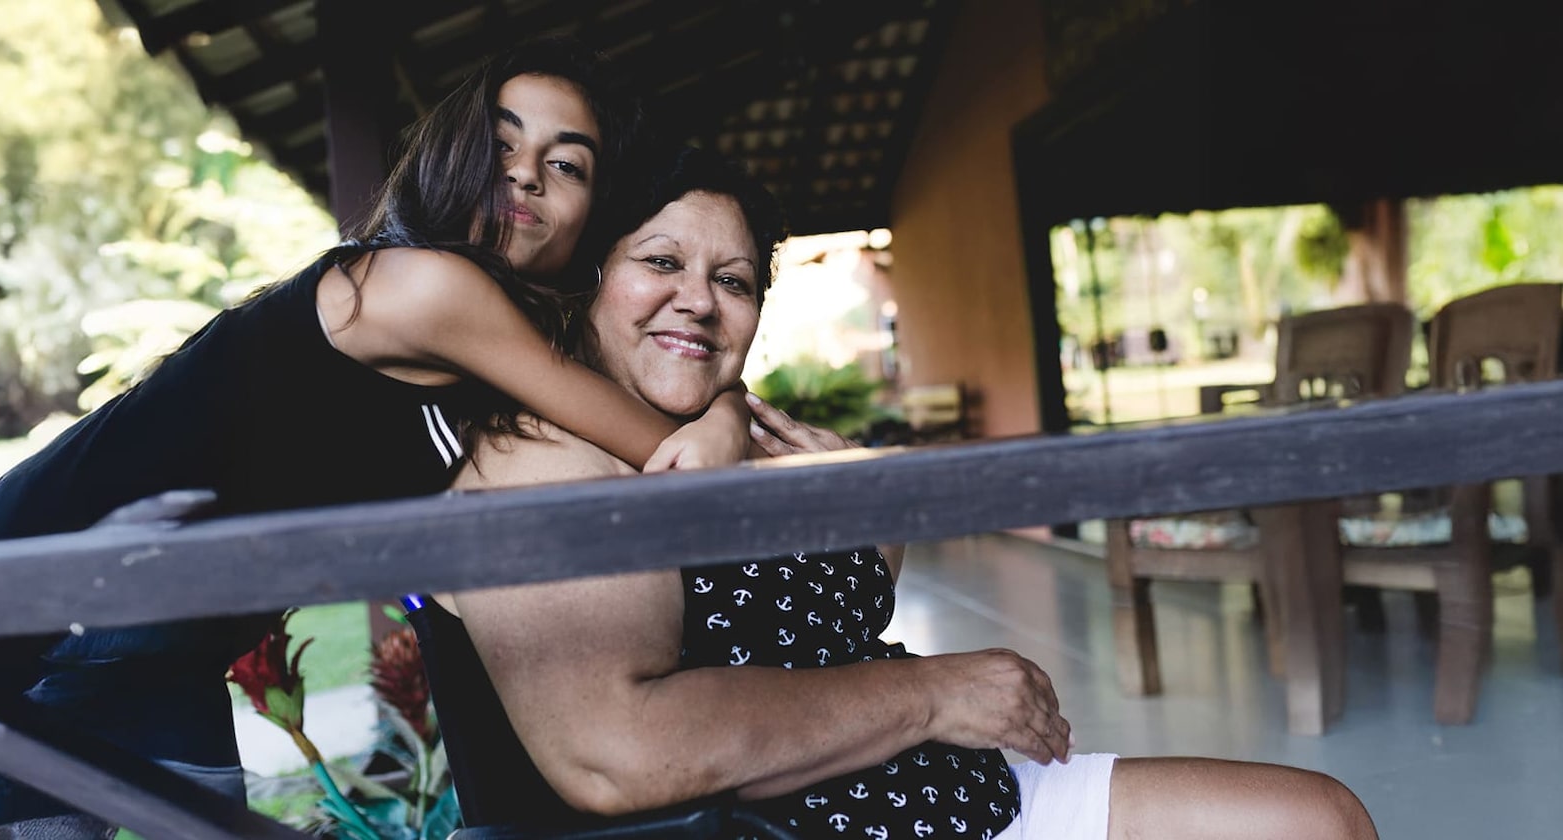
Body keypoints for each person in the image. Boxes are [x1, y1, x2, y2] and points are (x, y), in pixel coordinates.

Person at [0, 40, 776, 839]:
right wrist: (726, 415)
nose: (526, 177)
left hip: (168, 642)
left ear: (591, 214)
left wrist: (721, 413)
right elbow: (654, 440)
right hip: (30, 596)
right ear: (448, 153)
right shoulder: (425, 287)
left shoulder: (501, 349)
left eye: (568, 165)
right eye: (500, 143)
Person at [430, 147, 1379, 840]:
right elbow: (614, 754)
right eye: (662, 263)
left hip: (968, 795)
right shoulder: (542, 460)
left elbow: (842, 591)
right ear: (592, 283)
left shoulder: (735, 427)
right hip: (841, 825)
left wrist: (846, 501)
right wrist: (932, 692)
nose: (700, 301)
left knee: (1319, 822)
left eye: (734, 280)